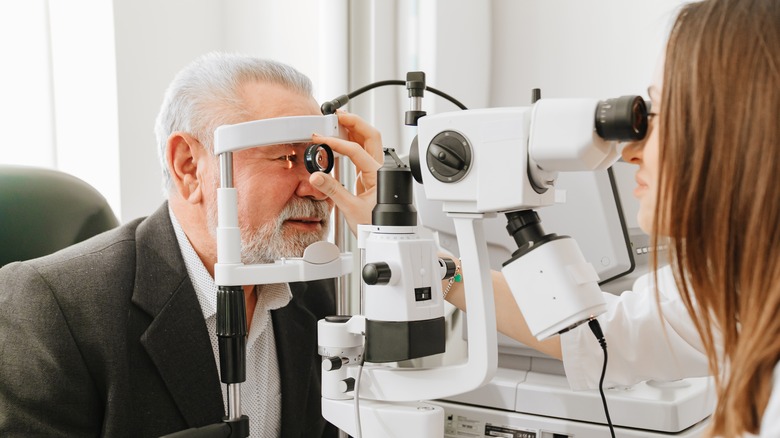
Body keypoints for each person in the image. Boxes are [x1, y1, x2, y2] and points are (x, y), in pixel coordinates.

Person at [0, 52, 382, 437]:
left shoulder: (313, 290)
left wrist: (385, 234)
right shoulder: (53, 307)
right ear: (189, 166)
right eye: (286, 156)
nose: (317, 187)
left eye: (319, 160)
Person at [445, 0, 780, 435]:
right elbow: (602, 334)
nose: (628, 152)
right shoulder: (739, 282)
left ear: (737, 131)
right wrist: (435, 270)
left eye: (657, 116)